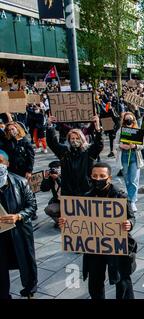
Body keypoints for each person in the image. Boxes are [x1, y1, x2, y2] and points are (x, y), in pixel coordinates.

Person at [58, 163, 137, 299]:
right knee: (95, 282)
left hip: (116, 246)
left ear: (109, 178)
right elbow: (78, 220)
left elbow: (132, 217)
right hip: (94, 248)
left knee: (122, 281)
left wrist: (129, 223)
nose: (98, 179)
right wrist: (66, 223)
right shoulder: (86, 197)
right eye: (95, 176)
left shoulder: (120, 196)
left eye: (102, 176)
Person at [0, 150, 38, 299]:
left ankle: (29, 289)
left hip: (20, 231)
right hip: (1, 234)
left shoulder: (20, 182)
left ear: (7, 164)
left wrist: (18, 216)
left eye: (1, 162)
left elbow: (32, 206)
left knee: (26, 261)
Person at [46, 115, 103, 197]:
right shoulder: (64, 152)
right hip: (69, 191)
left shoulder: (88, 151)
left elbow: (99, 145)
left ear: (82, 139)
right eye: (72, 139)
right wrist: (50, 126)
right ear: (69, 140)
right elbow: (52, 143)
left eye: (77, 138)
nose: (75, 141)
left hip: (86, 191)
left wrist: (98, 129)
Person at [115, 112, 144, 212]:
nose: (128, 121)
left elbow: (142, 145)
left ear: (133, 120)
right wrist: (120, 146)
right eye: (126, 119)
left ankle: (132, 201)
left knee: (133, 180)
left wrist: (135, 146)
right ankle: (130, 197)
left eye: (130, 119)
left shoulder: (137, 130)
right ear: (124, 120)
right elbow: (115, 143)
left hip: (134, 157)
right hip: (124, 157)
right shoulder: (120, 131)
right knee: (127, 180)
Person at [41, 161, 61, 227]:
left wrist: (58, 178)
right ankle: (60, 222)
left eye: (55, 169)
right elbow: (44, 189)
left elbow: (66, 188)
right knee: (48, 209)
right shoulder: (51, 179)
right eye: (52, 169)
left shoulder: (67, 176)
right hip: (58, 202)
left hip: (69, 202)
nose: (53, 171)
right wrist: (46, 178)